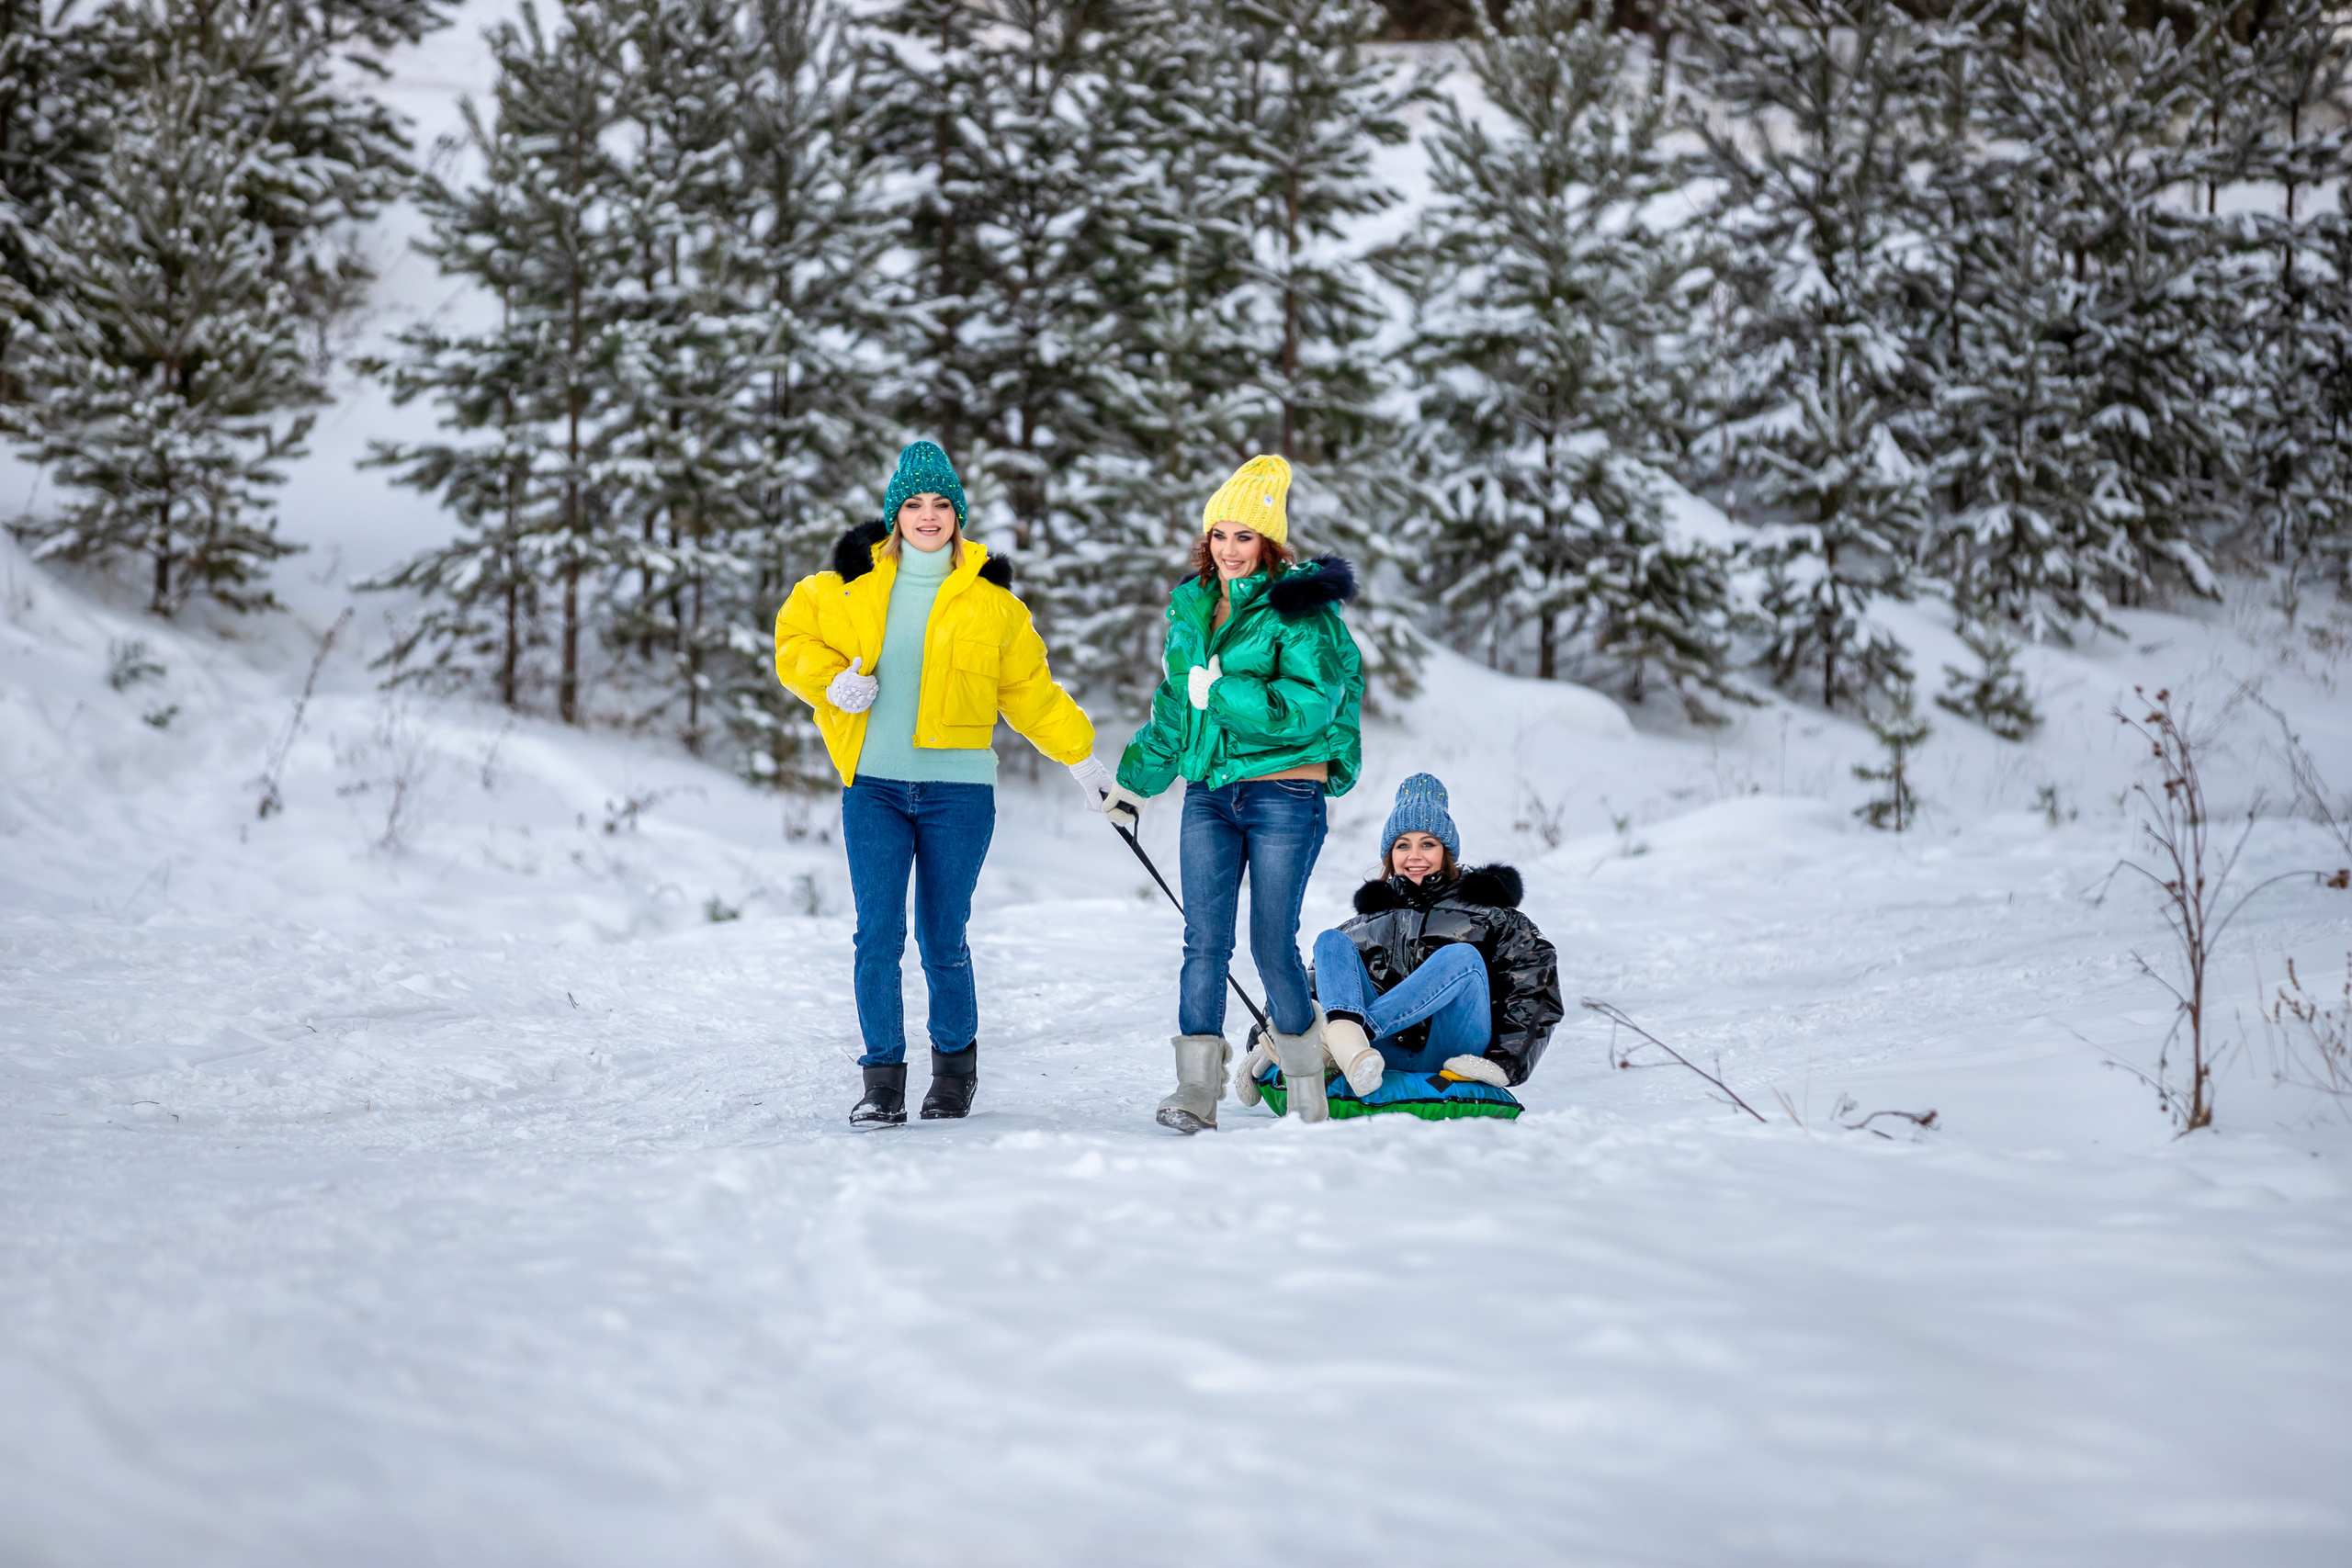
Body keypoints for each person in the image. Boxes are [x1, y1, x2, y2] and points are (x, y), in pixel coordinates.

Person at [775, 440, 1114, 1127]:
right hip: (873, 786)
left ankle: (954, 1073)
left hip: (957, 793)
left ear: (957, 514)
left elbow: (1032, 695)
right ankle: (882, 1081)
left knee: (941, 935)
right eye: (913, 504)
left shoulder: (992, 604)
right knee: (877, 934)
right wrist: (831, 683)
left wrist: (1084, 763)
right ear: (894, 513)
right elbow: (793, 642)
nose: (927, 516)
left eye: (940, 504)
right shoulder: (846, 587)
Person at [1104, 455, 1363, 1132]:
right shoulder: (1192, 608)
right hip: (1210, 794)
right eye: (1219, 534)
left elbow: (1308, 708)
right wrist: (1133, 783)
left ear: (1269, 543)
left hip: (1284, 794)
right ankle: (1196, 1090)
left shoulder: (1300, 613)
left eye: (1244, 536)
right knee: (1204, 941)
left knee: (1272, 942)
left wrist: (1219, 689)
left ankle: (1309, 1088)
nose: (1229, 549)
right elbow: (1174, 707)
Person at [1269, 773, 1562, 1104]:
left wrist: (1506, 1061)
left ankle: (1348, 1039)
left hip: (1452, 1050)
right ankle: (1348, 1042)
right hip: (1375, 1056)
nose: (1414, 856)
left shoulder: (1489, 914)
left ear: (1446, 850)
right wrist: (1265, 1041)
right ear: (1389, 854)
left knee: (1461, 958)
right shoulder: (1365, 922)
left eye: (1428, 844)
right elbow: (1310, 986)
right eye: (1402, 845)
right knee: (1329, 942)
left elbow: (1534, 984)